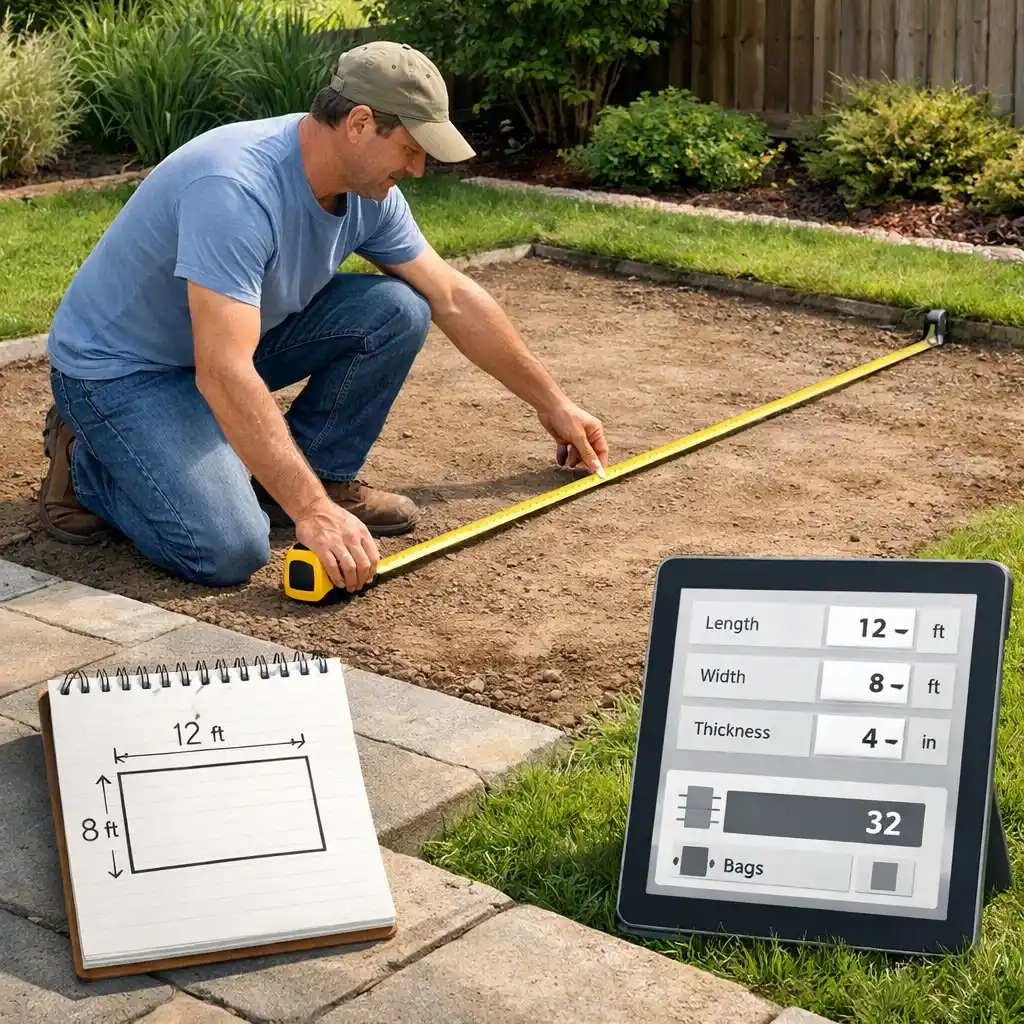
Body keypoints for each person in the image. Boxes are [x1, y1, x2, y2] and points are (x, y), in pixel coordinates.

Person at [38, 40, 609, 595]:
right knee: (226, 549)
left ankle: (312, 474)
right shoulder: (236, 188)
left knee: (397, 307)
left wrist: (553, 403)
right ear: (359, 123)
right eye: (411, 148)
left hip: (220, 343)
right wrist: (310, 513)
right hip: (123, 370)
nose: (417, 168)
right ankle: (89, 459)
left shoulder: (368, 193)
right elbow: (222, 371)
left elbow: (453, 297)